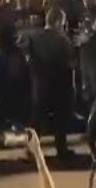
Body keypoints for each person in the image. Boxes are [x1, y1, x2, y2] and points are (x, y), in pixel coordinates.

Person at [27, 8, 75, 160]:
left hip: (40, 85)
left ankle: (30, 150)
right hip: (59, 86)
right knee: (60, 120)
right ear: (58, 22)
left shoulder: (34, 37)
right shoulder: (63, 40)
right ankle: (61, 150)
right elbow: (68, 64)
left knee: (36, 120)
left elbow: (30, 60)